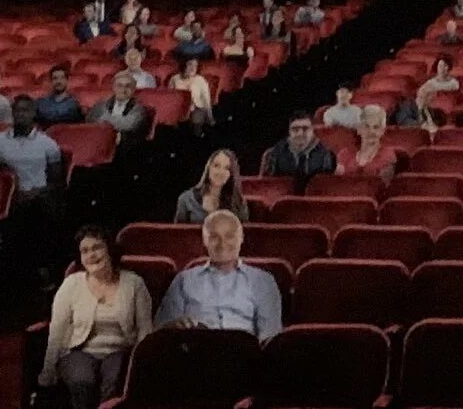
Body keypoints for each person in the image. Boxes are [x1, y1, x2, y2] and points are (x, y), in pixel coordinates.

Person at [38, 224, 154, 409]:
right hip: (79, 352)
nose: (91, 255)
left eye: (97, 248)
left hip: (120, 351)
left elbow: (145, 329)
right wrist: (48, 369)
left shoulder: (134, 283)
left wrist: (142, 365)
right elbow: (57, 329)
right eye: (85, 251)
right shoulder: (71, 284)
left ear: (109, 249)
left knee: (114, 381)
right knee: (82, 381)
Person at [157, 211, 282, 340]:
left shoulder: (263, 281)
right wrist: (175, 326)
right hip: (194, 351)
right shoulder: (183, 280)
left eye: (229, 236)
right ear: (204, 240)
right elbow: (162, 333)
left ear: (242, 238)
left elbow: (269, 337)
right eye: (214, 237)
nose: (222, 244)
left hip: (243, 354)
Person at [0, 96, 65, 201]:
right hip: (7, 198)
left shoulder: (48, 143)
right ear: (12, 113)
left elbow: (56, 181)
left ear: (33, 113)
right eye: (17, 111)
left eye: (25, 111)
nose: (21, 114)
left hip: (39, 198)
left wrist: (37, 192)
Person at [177, 149, 250, 223]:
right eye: (216, 166)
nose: (220, 172)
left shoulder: (238, 202)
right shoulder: (186, 199)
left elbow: (242, 232)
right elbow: (179, 232)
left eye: (227, 168)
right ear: (209, 168)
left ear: (231, 174)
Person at [339, 105, 402, 182]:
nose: (371, 132)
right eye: (366, 126)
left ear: (382, 131)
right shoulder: (345, 154)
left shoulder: (388, 156)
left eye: (376, 127)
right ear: (359, 129)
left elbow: (382, 188)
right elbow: (339, 185)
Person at [88, 72, 153, 146]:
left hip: (126, 146)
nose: (123, 89)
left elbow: (129, 125)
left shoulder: (139, 109)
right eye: (119, 85)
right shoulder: (100, 104)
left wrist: (105, 121)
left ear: (134, 89)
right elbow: (91, 122)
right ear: (113, 87)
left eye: (128, 86)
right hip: (99, 142)